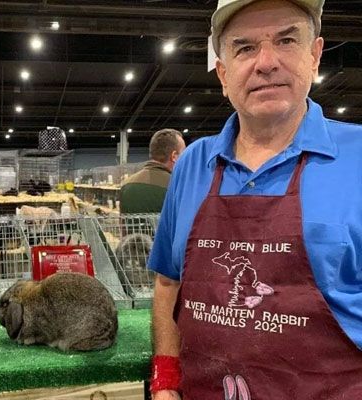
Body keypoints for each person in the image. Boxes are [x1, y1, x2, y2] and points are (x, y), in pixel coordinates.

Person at [147, 0, 362, 399]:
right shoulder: (194, 162)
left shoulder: (358, 157)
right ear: (224, 74)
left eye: (286, 40)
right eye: (245, 47)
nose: (266, 62)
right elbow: (167, 282)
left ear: (314, 55)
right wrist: (164, 381)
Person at [119, 129, 185, 214]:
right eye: (184, 153)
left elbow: (123, 224)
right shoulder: (177, 186)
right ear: (174, 156)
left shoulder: (126, 184)